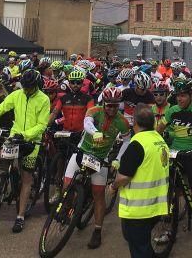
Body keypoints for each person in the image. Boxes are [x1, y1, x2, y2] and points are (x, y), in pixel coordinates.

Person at [0, 69, 50, 233]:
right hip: (14, 137)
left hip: (31, 141)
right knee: (2, 164)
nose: (26, 90)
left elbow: (42, 125)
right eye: (24, 86)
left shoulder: (44, 99)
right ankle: (1, 183)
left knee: (26, 179)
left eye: (30, 87)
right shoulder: (16, 94)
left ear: (36, 85)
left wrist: (25, 135)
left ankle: (20, 216)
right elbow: (0, 109)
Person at [67, 86, 130, 248]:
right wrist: (95, 132)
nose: (111, 108)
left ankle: (97, 230)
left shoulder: (122, 121)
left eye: (115, 105)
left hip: (100, 159)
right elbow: (86, 122)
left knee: (98, 196)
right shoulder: (94, 111)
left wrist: (118, 159)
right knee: (66, 184)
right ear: (104, 103)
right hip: (83, 151)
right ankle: (66, 205)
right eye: (109, 105)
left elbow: (127, 141)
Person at [110, 104, 170, 258]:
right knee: (141, 243)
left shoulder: (137, 144)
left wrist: (112, 186)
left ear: (135, 123)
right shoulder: (159, 140)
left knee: (139, 249)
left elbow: (123, 177)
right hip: (156, 206)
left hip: (138, 210)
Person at [157, 78, 192, 218]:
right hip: (174, 153)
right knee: (166, 188)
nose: (179, 99)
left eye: (183, 95)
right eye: (177, 95)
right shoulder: (172, 111)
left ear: (191, 96)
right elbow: (158, 130)